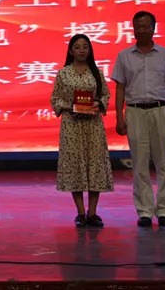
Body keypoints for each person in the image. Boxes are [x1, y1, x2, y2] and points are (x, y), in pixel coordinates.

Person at [112, 10, 165, 227]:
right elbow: (120, 87)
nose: (141, 30)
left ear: (153, 28)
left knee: (163, 163)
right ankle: (144, 211)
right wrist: (119, 117)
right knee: (140, 164)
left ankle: (164, 211)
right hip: (135, 112)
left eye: (145, 26)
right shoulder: (124, 56)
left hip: (161, 110)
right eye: (137, 27)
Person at [50, 34, 113, 228]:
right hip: (71, 125)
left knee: (95, 165)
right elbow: (55, 98)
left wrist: (98, 103)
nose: (81, 50)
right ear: (71, 50)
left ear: (90, 50)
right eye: (77, 47)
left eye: (85, 47)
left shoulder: (96, 72)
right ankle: (80, 212)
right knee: (75, 165)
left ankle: (92, 213)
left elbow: (106, 95)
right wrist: (69, 107)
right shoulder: (63, 73)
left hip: (93, 125)